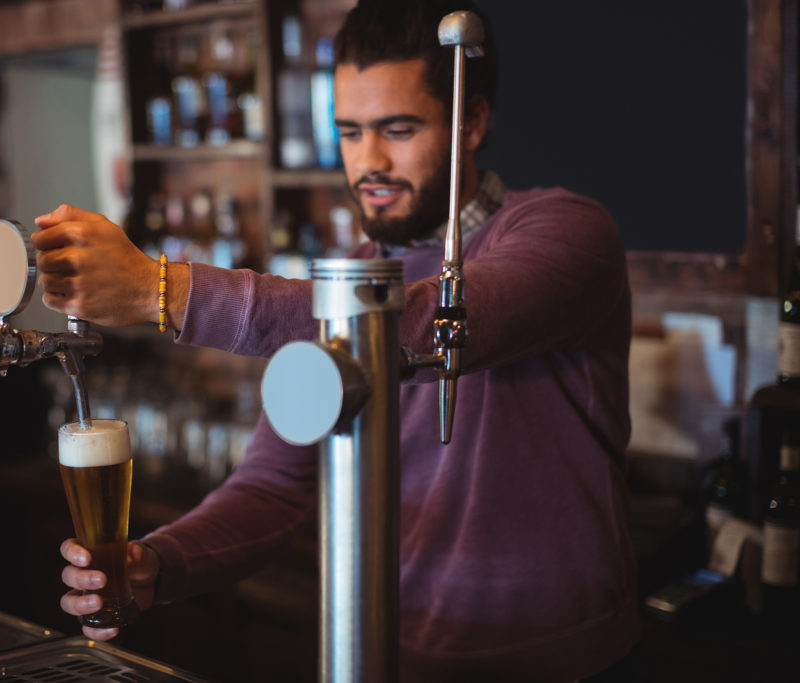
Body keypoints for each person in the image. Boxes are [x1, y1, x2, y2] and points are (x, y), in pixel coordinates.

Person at [31, 0, 640, 680]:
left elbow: (419, 321)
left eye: (398, 129)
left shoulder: (568, 234)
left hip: (568, 662)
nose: (368, 162)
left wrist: (159, 289)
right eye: (350, 132)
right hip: (391, 658)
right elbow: (274, 486)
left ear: (472, 120)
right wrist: (160, 562)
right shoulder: (345, 280)